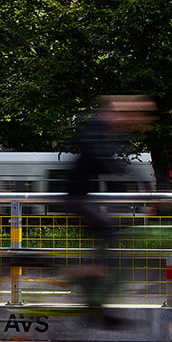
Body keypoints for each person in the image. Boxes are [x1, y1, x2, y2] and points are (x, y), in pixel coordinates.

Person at [63, 95, 156, 315]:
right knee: (107, 230)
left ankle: (94, 275)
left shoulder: (106, 130)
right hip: (75, 196)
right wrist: (131, 178)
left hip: (83, 195)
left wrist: (138, 181)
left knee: (111, 230)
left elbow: (110, 160)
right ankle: (84, 274)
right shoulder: (96, 127)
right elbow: (99, 156)